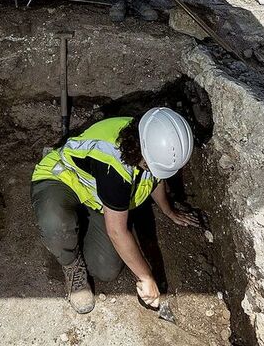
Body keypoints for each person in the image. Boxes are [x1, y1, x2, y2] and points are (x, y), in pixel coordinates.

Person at [30, 107, 198, 313]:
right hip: (64, 179)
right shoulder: (114, 164)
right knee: (55, 222)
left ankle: (80, 224)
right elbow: (117, 231)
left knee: (106, 269)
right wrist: (146, 277)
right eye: (151, 165)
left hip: (96, 198)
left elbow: (156, 179)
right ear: (141, 150)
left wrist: (168, 211)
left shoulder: (150, 136)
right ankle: (71, 264)